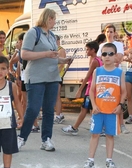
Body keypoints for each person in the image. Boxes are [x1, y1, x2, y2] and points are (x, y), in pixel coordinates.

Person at [17, 8, 72, 151]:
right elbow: (24, 54)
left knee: (48, 110)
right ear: (48, 18)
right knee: (33, 109)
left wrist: (64, 60)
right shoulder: (33, 32)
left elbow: (52, 56)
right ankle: (21, 138)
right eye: (54, 19)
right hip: (36, 77)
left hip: (52, 77)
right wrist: (46, 54)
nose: (55, 22)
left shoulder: (52, 35)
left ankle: (46, 139)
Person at [82, 43, 126, 168]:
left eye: (111, 54)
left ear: (115, 56)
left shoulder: (119, 72)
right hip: (98, 110)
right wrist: (94, 106)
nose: (107, 56)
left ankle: (109, 160)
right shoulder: (97, 71)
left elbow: (124, 92)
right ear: (101, 56)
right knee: (95, 135)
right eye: (104, 54)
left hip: (112, 111)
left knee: (110, 135)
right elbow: (91, 90)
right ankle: (90, 160)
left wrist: (120, 105)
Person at [62, 41, 101, 135]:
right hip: (95, 86)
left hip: (92, 88)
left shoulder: (95, 61)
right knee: (93, 109)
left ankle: (75, 128)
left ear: (93, 50)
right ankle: (99, 128)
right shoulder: (98, 59)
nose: (86, 51)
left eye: (87, 49)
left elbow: (88, 76)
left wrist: (79, 90)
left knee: (84, 108)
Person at [97, 24, 128, 134]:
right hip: (104, 76)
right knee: (105, 99)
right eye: (107, 31)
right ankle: (104, 126)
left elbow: (119, 59)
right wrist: (110, 60)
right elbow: (99, 60)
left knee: (117, 99)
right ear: (105, 33)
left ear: (114, 33)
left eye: (111, 31)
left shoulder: (118, 44)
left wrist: (110, 60)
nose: (109, 33)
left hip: (115, 75)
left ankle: (121, 124)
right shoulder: (101, 46)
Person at [54, 35, 67, 124]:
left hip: (58, 76)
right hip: (54, 76)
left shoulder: (60, 50)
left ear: (58, 41)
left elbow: (62, 64)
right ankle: (60, 114)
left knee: (57, 96)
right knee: (55, 96)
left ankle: (58, 115)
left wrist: (55, 73)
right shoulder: (54, 50)